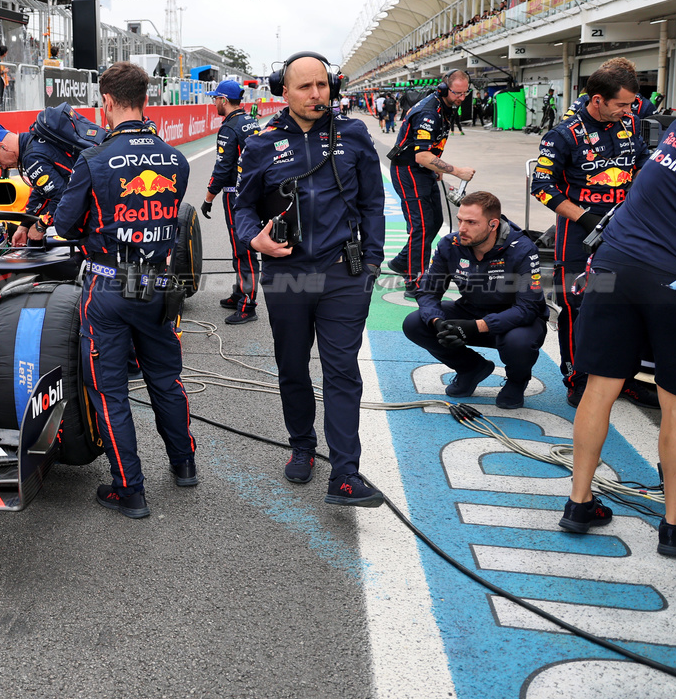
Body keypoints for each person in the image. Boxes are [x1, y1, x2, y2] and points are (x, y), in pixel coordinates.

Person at [234, 52, 386, 507]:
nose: (317, 94)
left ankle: (345, 473)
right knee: (293, 366)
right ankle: (302, 445)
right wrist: (254, 239)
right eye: (305, 87)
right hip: (286, 274)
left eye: (322, 84)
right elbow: (243, 207)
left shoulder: (353, 135)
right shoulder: (261, 144)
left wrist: (372, 264)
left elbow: (373, 204)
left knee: (342, 372)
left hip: (343, 274)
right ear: (284, 91)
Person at [53, 60, 194, 519]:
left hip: (108, 287)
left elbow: (64, 225)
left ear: (107, 102)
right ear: (146, 100)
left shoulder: (93, 159)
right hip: (158, 284)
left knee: (109, 391)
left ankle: (129, 490)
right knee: (166, 380)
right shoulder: (174, 158)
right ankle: (184, 464)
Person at [559, 109, 676, 561]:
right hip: (675, 278)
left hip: (613, 262)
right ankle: (675, 528)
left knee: (599, 389)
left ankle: (578, 503)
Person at [531, 60, 652, 408]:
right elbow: (541, 187)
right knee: (577, 306)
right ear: (597, 99)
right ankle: (577, 378)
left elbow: (642, 162)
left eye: (630, 104)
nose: (628, 110)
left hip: (625, 228)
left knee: (626, 304)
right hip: (578, 233)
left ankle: (623, 378)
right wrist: (584, 217)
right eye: (622, 104)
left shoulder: (630, 123)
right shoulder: (563, 135)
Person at [402, 192, 548, 409]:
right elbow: (428, 293)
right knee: (415, 323)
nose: (462, 228)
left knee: (519, 342)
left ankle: (517, 382)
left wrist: (476, 326)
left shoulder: (523, 248)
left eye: (471, 222)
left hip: (515, 320)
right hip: (471, 310)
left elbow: (528, 308)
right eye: (460, 220)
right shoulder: (450, 244)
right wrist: (437, 321)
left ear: (493, 225)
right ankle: (471, 368)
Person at [386, 70, 477, 296]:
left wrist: (437, 167)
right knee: (421, 226)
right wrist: (457, 171)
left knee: (435, 221)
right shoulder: (428, 113)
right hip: (408, 170)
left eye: (465, 93)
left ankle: (402, 262)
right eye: (457, 93)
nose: (462, 98)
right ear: (444, 89)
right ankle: (415, 282)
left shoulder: (446, 105)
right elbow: (421, 156)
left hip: (424, 170)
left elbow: (433, 147)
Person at [199, 79, 260, 324]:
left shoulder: (230, 127)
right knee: (241, 247)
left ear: (224, 100)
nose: (214, 102)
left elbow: (222, 168)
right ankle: (239, 293)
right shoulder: (250, 121)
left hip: (237, 194)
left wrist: (208, 198)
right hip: (252, 192)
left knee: (243, 249)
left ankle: (248, 305)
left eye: (216, 98)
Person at [0, 119, 81, 247]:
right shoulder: (33, 139)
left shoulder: (31, 157)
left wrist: (40, 225)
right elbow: (42, 191)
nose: (4, 167)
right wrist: (24, 226)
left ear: (2, 146)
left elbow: (62, 196)